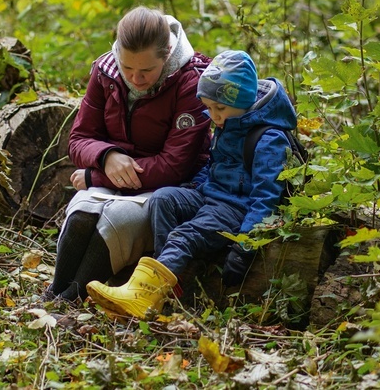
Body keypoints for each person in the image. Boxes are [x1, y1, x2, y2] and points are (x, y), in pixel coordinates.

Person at [86, 49, 298, 318]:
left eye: (219, 108)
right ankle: (167, 286)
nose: (214, 116)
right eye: (209, 109)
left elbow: (266, 197)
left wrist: (245, 245)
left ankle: (144, 296)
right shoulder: (229, 121)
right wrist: (192, 188)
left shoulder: (269, 139)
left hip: (236, 207)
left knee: (184, 235)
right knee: (163, 199)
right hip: (211, 195)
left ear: (243, 100)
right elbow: (213, 166)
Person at [45, 6, 212, 302]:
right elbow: (79, 139)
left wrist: (95, 174)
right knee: (83, 210)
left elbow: (175, 165)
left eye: (146, 70)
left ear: (167, 54)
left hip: (170, 185)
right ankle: (56, 290)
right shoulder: (105, 71)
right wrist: (107, 156)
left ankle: (75, 294)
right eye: (128, 67)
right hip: (115, 174)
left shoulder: (191, 80)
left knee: (119, 219)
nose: (135, 78)